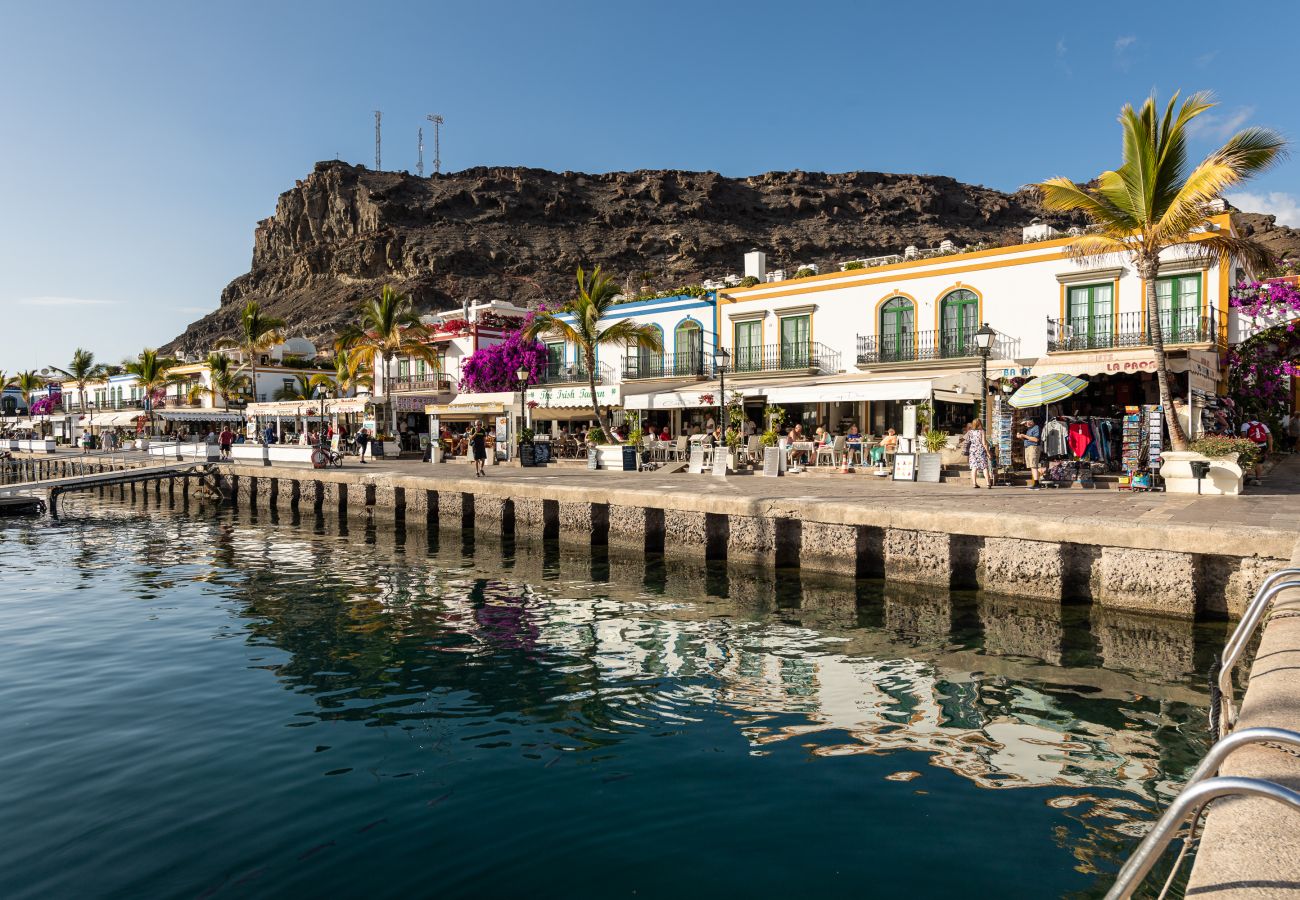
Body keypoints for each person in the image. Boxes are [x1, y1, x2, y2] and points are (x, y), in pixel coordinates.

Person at [962, 419, 995, 489]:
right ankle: (988, 483)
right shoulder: (982, 431)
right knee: (984, 467)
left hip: (973, 450)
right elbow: (984, 443)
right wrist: (988, 453)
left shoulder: (970, 432)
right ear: (980, 424)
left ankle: (974, 483)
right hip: (980, 450)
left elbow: (963, 439)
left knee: (974, 467)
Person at [1241, 417, 1272, 482]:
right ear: (1257, 419)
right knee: (1259, 463)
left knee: (1247, 461)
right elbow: (1269, 437)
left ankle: (1247, 477)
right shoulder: (1263, 425)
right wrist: (1270, 447)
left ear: (1249, 419)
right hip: (1262, 446)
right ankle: (1258, 479)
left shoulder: (1245, 425)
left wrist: (1243, 447)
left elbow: (1243, 437)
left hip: (1250, 446)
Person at [1016, 418, 1043, 489]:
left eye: (1025, 423)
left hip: (1033, 447)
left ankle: (1037, 483)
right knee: (1031, 465)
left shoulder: (1036, 428)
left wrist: (1024, 436)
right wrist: (1021, 437)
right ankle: (1035, 483)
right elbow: (1029, 439)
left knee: (1034, 465)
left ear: (1030, 421)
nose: (1025, 425)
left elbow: (1036, 439)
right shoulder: (1029, 429)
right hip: (1028, 447)